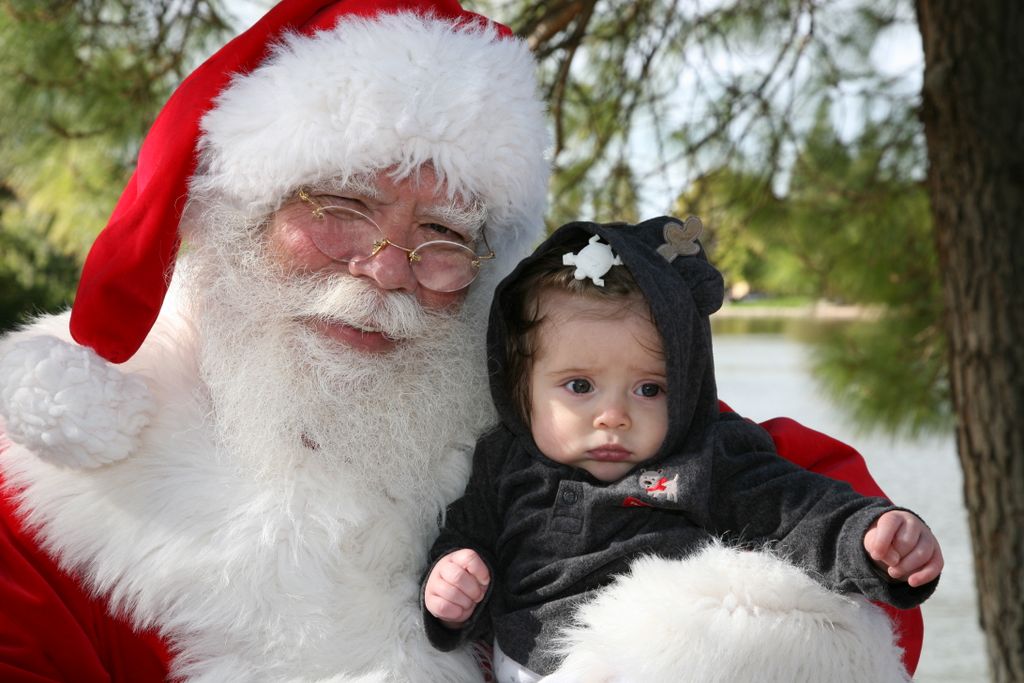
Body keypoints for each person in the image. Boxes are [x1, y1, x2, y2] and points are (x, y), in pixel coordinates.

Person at [0, 0, 924, 681]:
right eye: (339, 207)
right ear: (233, 214)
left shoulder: (531, 395)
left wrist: (714, 641)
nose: (387, 266)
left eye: (443, 235)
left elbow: (795, 481)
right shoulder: (45, 498)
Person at [421, 217, 943, 681]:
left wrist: (869, 538)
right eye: (579, 386)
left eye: (649, 389)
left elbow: (797, 509)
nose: (613, 415)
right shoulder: (505, 462)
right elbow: (466, 536)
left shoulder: (704, 457)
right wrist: (452, 587)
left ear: (687, 386)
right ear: (521, 387)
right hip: (525, 663)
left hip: (653, 658)